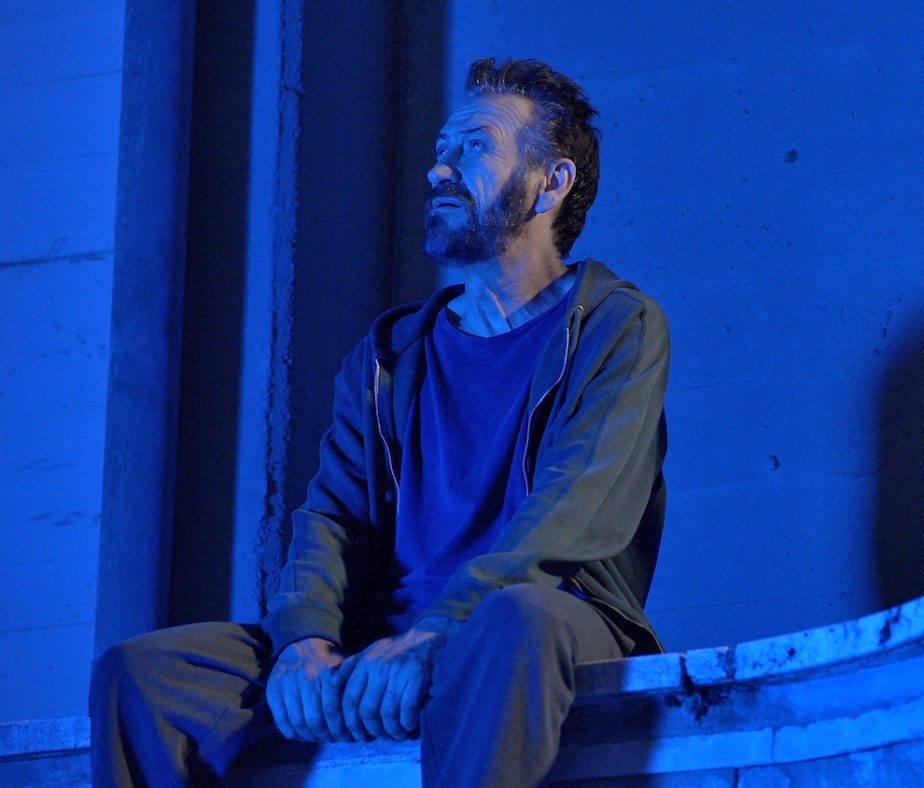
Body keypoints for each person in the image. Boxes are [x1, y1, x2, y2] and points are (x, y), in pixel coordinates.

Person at [89, 57, 670, 787]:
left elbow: (575, 505)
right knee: (140, 674)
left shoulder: (615, 325)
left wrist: (444, 626)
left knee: (515, 619)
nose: (438, 170)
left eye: (475, 146)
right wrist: (304, 638)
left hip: (543, 618)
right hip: (383, 639)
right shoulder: (389, 354)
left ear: (550, 183)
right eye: (440, 149)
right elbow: (332, 518)